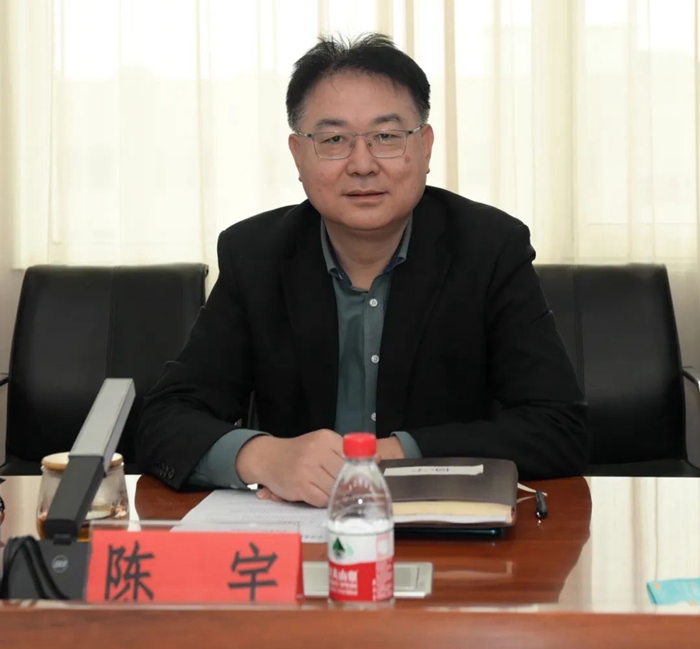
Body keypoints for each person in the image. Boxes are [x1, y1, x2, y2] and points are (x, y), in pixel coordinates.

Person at [136, 33, 589, 507]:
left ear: (425, 147)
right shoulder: (256, 255)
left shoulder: (489, 248)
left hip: (446, 528)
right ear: (298, 155)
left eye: (386, 137)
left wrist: (390, 455)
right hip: (302, 527)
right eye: (334, 140)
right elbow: (165, 419)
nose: (362, 164)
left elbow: (559, 427)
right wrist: (265, 457)